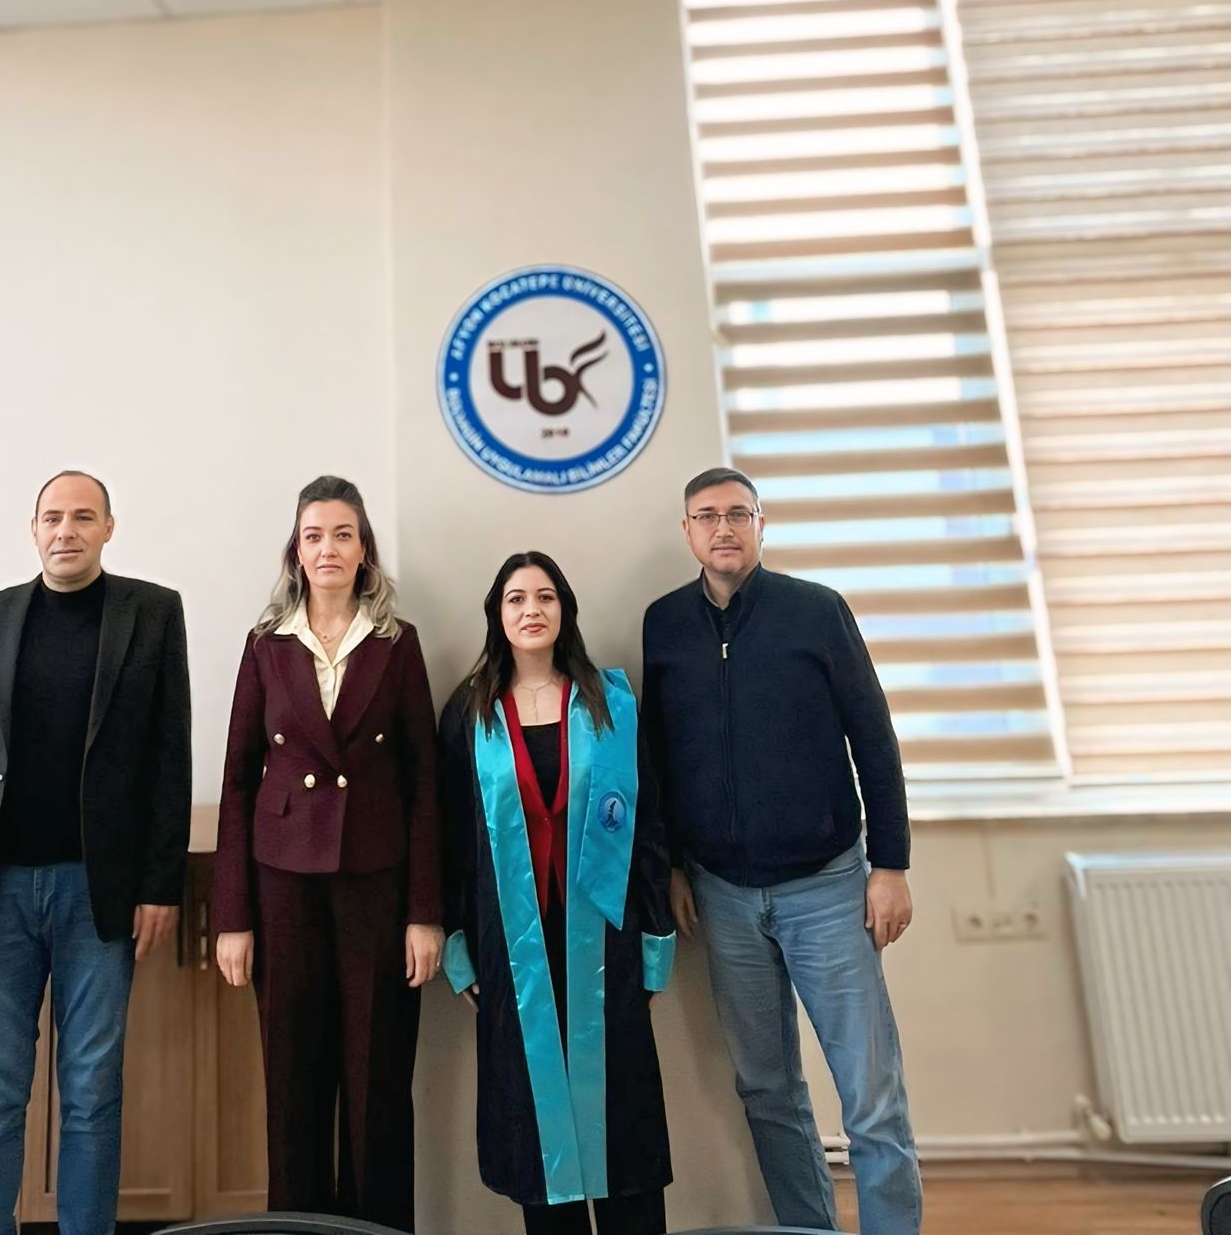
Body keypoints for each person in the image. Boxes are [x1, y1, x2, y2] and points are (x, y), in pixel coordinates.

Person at [0, 471, 191, 1235]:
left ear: (109, 528)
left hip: (99, 896)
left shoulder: (153, 615)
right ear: (33, 530)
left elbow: (171, 760)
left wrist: (161, 885)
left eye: (83, 517)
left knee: (92, 1094)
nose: (67, 531)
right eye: (53, 518)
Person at [642, 467, 919, 1235]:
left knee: (871, 1096)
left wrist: (890, 865)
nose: (723, 529)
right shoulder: (664, 624)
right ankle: (809, 1230)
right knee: (767, 1091)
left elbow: (874, 738)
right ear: (688, 532)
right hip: (722, 893)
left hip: (827, 887)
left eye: (739, 514)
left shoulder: (817, 611)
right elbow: (660, 756)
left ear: (761, 525)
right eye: (707, 516)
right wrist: (672, 865)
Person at [213, 474, 443, 1233]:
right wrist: (232, 918)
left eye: (343, 534)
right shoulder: (266, 645)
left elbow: (424, 785)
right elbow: (237, 782)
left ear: (364, 548)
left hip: (377, 885)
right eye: (314, 536)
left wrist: (425, 912)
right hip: (283, 886)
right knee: (293, 1082)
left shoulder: (398, 643)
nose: (328, 549)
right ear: (296, 551)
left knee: (379, 1083)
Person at [440, 552, 675, 1235]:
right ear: (497, 615)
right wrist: (460, 951)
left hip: (606, 940)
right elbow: (451, 839)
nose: (531, 610)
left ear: (565, 609)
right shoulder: (470, 713)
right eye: (516, 598)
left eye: (545, 596)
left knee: (621, 1113)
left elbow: (649, 826)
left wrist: (655, 947)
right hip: (513, 946)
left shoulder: (611, 704)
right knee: (535, 1119)